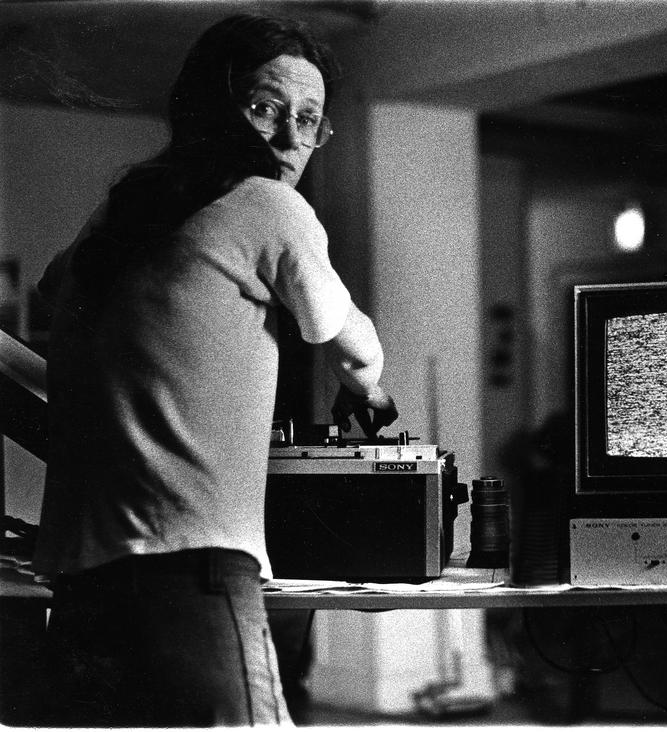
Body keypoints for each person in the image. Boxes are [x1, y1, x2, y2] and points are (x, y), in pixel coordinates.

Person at [32, 13, 397, 727]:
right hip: (188, 576)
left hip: (80, 586)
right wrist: (370, 388)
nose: (291, 139)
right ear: (214, 105)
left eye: (311, 119)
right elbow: (343, 337)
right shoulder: (268, 204)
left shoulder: (121, 211)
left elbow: (54, 287)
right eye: (266, 107)